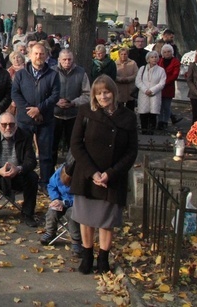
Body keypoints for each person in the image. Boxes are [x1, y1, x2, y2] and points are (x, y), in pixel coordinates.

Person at [69, 75, 138, 274]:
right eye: (98, 93)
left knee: (106, 220)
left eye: (106, 92)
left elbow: (132, 151)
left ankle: (103, 258)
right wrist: (93, 173)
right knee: (86, 218)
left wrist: (111, 173)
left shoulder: (128, 117)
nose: (103, 96)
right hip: (87, 174)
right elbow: (76, 144)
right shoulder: (85, 112)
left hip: (112, 177)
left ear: (114, 93)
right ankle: (87, 255)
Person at [0, 112, 39, 227]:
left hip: (18, 175)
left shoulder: (25, 136)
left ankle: (28, 213)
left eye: (11, 124)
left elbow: (31, 161)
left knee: (33, 177)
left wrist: (18, 169)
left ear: (16, 125)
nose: (8, 128)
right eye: (4, 125)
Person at [11, 43, 60, 187]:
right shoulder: (20, 74)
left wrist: (39, 109)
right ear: (30, 55)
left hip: (45, 120)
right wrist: (29, 110)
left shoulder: (53, 75)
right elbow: (15, 93)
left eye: (42, 54)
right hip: (25, 121)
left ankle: (46, 183)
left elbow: (55, 95)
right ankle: (23, 181)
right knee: (23, 152)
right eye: (36, 54)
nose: (39, 57)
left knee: (46, 154)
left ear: (46, 55)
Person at [53, 50, 91, 166]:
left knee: (74, 146)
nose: (67, 62)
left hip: (74, 114)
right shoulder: (52, 71)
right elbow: (45, 92)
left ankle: (71, 172)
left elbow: (87, 94)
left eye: (69, 59)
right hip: (55, 114)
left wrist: (74, 102)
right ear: (59, 60)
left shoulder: (81, 72)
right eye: (64, 59)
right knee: (52, 146)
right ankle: (50, 173)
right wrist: (56, 101)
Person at [40, 155, 83, 256]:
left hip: (75, 204)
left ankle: (76, 241)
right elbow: (51, 186)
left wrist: (65, 203)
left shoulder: (81, 178)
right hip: (61, 200)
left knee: (71, 214)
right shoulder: (59, 172)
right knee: (52, 211)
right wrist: (55, 199)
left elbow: (80, 198)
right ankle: (50, 232)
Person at [135, 51, 165, 135]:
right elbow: (138, 81)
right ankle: (144, 130)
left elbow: (162, 83)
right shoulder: (142, 68)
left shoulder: (161, 70)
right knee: (143, 114)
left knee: (153, 114)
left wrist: (152, 90)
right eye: (152, 57)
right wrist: (145, 90)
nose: (154, 59)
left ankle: (151, 131)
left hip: (154, 95)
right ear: (148, 59)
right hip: (143, 94)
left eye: (155, 57)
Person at [157, 44, 181, 130]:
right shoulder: (159, 61)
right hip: (159, 87)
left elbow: (175, 75)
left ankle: (165, 122)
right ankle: (160, 121)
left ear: (172, 52)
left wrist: (164, 82)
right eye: (165, 52)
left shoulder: (175, 61)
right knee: (159, 106)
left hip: (168, 87)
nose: (167, 53)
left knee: (166, 106)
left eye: (169, 52)